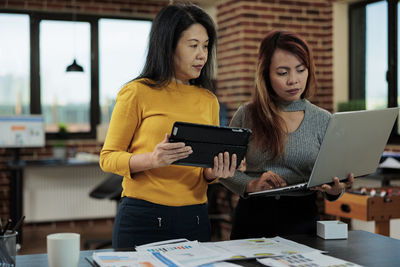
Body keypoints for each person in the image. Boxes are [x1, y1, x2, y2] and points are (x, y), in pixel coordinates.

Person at [100, 3, 238, 249]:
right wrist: (153, 160)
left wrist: (216, 172)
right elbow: (108, 158)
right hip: (143, 218)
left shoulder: (208, 100)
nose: (202, 55)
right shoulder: (136, 92)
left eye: (206, 46)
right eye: (193, 45)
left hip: (194, 218)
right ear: (168, 45)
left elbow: (203, 171)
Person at [219, 30, 354, 239]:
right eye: (282, 73)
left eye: (301, 70)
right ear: (265, 74)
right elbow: (222, 168)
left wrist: (336, 190)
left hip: (302, 220)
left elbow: (334, 181)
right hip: (252, 219)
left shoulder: (324, 119)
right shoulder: (247, 114)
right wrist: (250, 185)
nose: (294, 80)